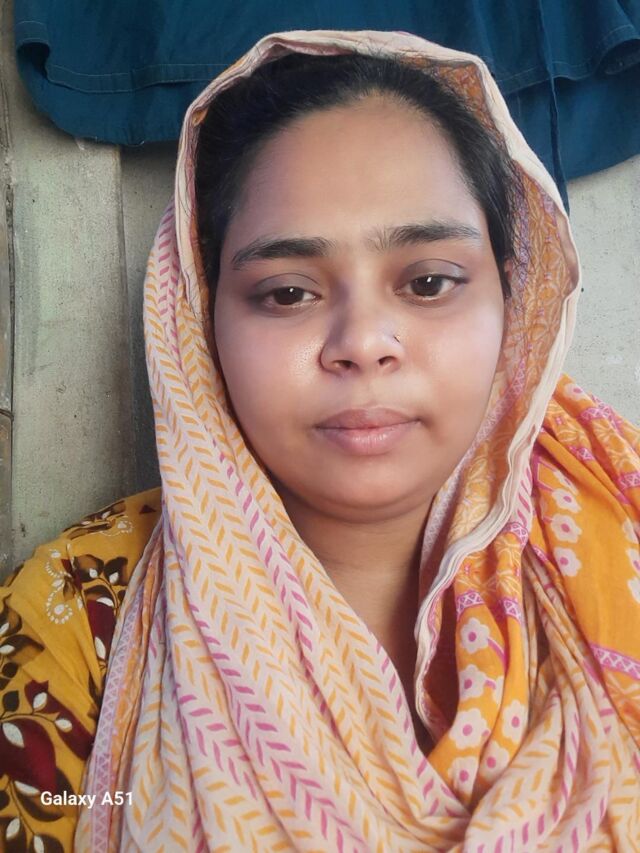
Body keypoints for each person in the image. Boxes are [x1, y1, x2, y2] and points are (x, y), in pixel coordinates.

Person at [1, 28, 639, 852]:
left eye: (429, 281)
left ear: (517, 302)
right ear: (199, 315)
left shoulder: (621, 530)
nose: (363, 342)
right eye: (288, 292)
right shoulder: (77, 620)